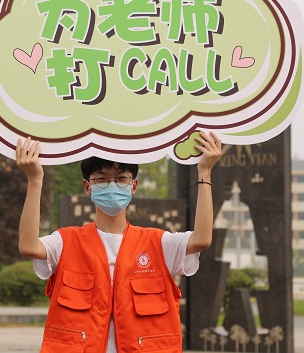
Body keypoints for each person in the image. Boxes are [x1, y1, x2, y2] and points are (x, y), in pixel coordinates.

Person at [16, 132, 222, 353]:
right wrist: (34, 180)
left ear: (133, 186)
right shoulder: (65, 242)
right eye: (102, 178)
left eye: (121, 178)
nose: (112, 185)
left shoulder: (159, 243)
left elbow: (202, 239)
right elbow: (29, 246)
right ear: (87, 187)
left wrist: (204, 172)